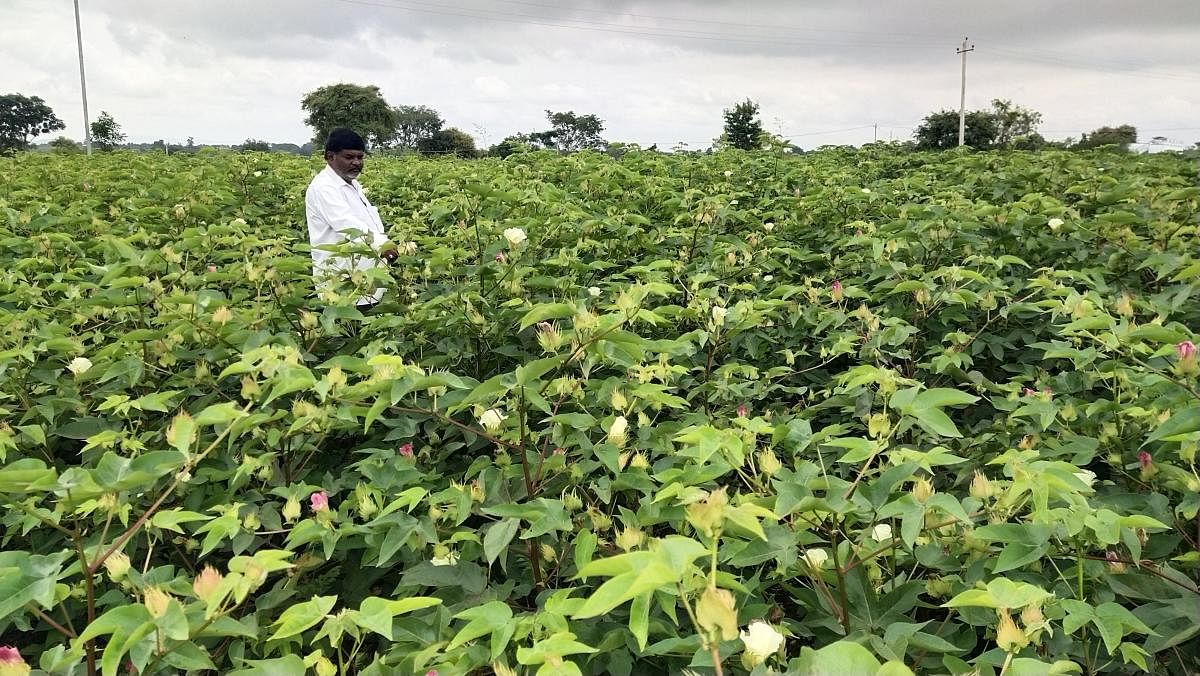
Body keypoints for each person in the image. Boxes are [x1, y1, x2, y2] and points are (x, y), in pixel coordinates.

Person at [305, 127, 398, 310]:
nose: (356, 162)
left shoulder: (353, 184)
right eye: (349, 157)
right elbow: (348, 225)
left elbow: (367, 221)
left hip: (367, 281)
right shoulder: (324, 188)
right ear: (330, 157)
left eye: (360, 157)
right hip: (342, 285)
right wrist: (385, 245)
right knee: (350, 333)